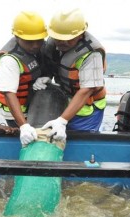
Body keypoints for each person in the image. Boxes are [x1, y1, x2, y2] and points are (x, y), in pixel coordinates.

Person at [36, 8, 107, 140]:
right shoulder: (52, 43)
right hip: (67, 99)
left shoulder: (92, 54)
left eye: (69, 39)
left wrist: (62, 120)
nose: (63, 42)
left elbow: (87, 90)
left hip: (88, 107)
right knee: (57, 137)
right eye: (59, 38)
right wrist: (47, 76)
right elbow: (53, 62)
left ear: (81, 34)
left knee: (80, 140)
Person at [0, 11, 48, 146]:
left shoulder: (36, 49)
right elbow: (8, 93)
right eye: (29, 41)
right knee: (27, 139)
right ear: (16, 36)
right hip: (13, 111)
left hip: (30, 104)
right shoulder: (8, 61)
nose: (35, 45)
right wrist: (23, 126)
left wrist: (44, 77)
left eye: (39, 40)